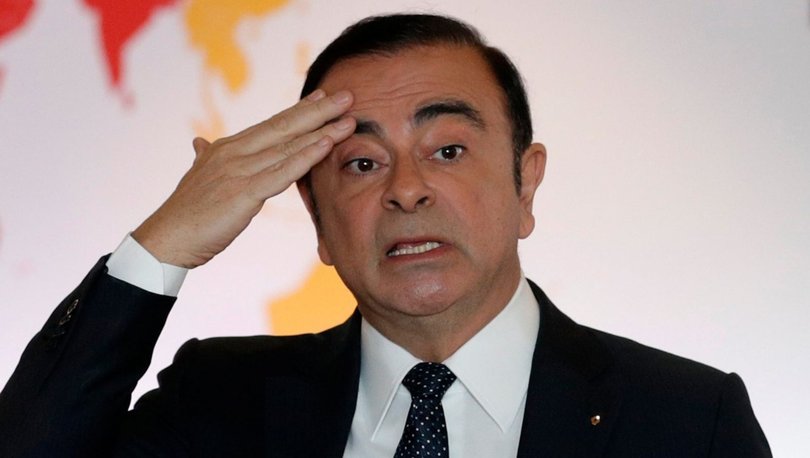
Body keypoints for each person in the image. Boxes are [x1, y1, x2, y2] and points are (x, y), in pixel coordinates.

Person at [0, 13, 770, 457]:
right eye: (362, 163)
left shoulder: (686, 420)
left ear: (526, 183)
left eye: (447, 151)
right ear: (317, 219)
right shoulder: (223, 400)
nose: (405, 188)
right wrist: (162, 245)